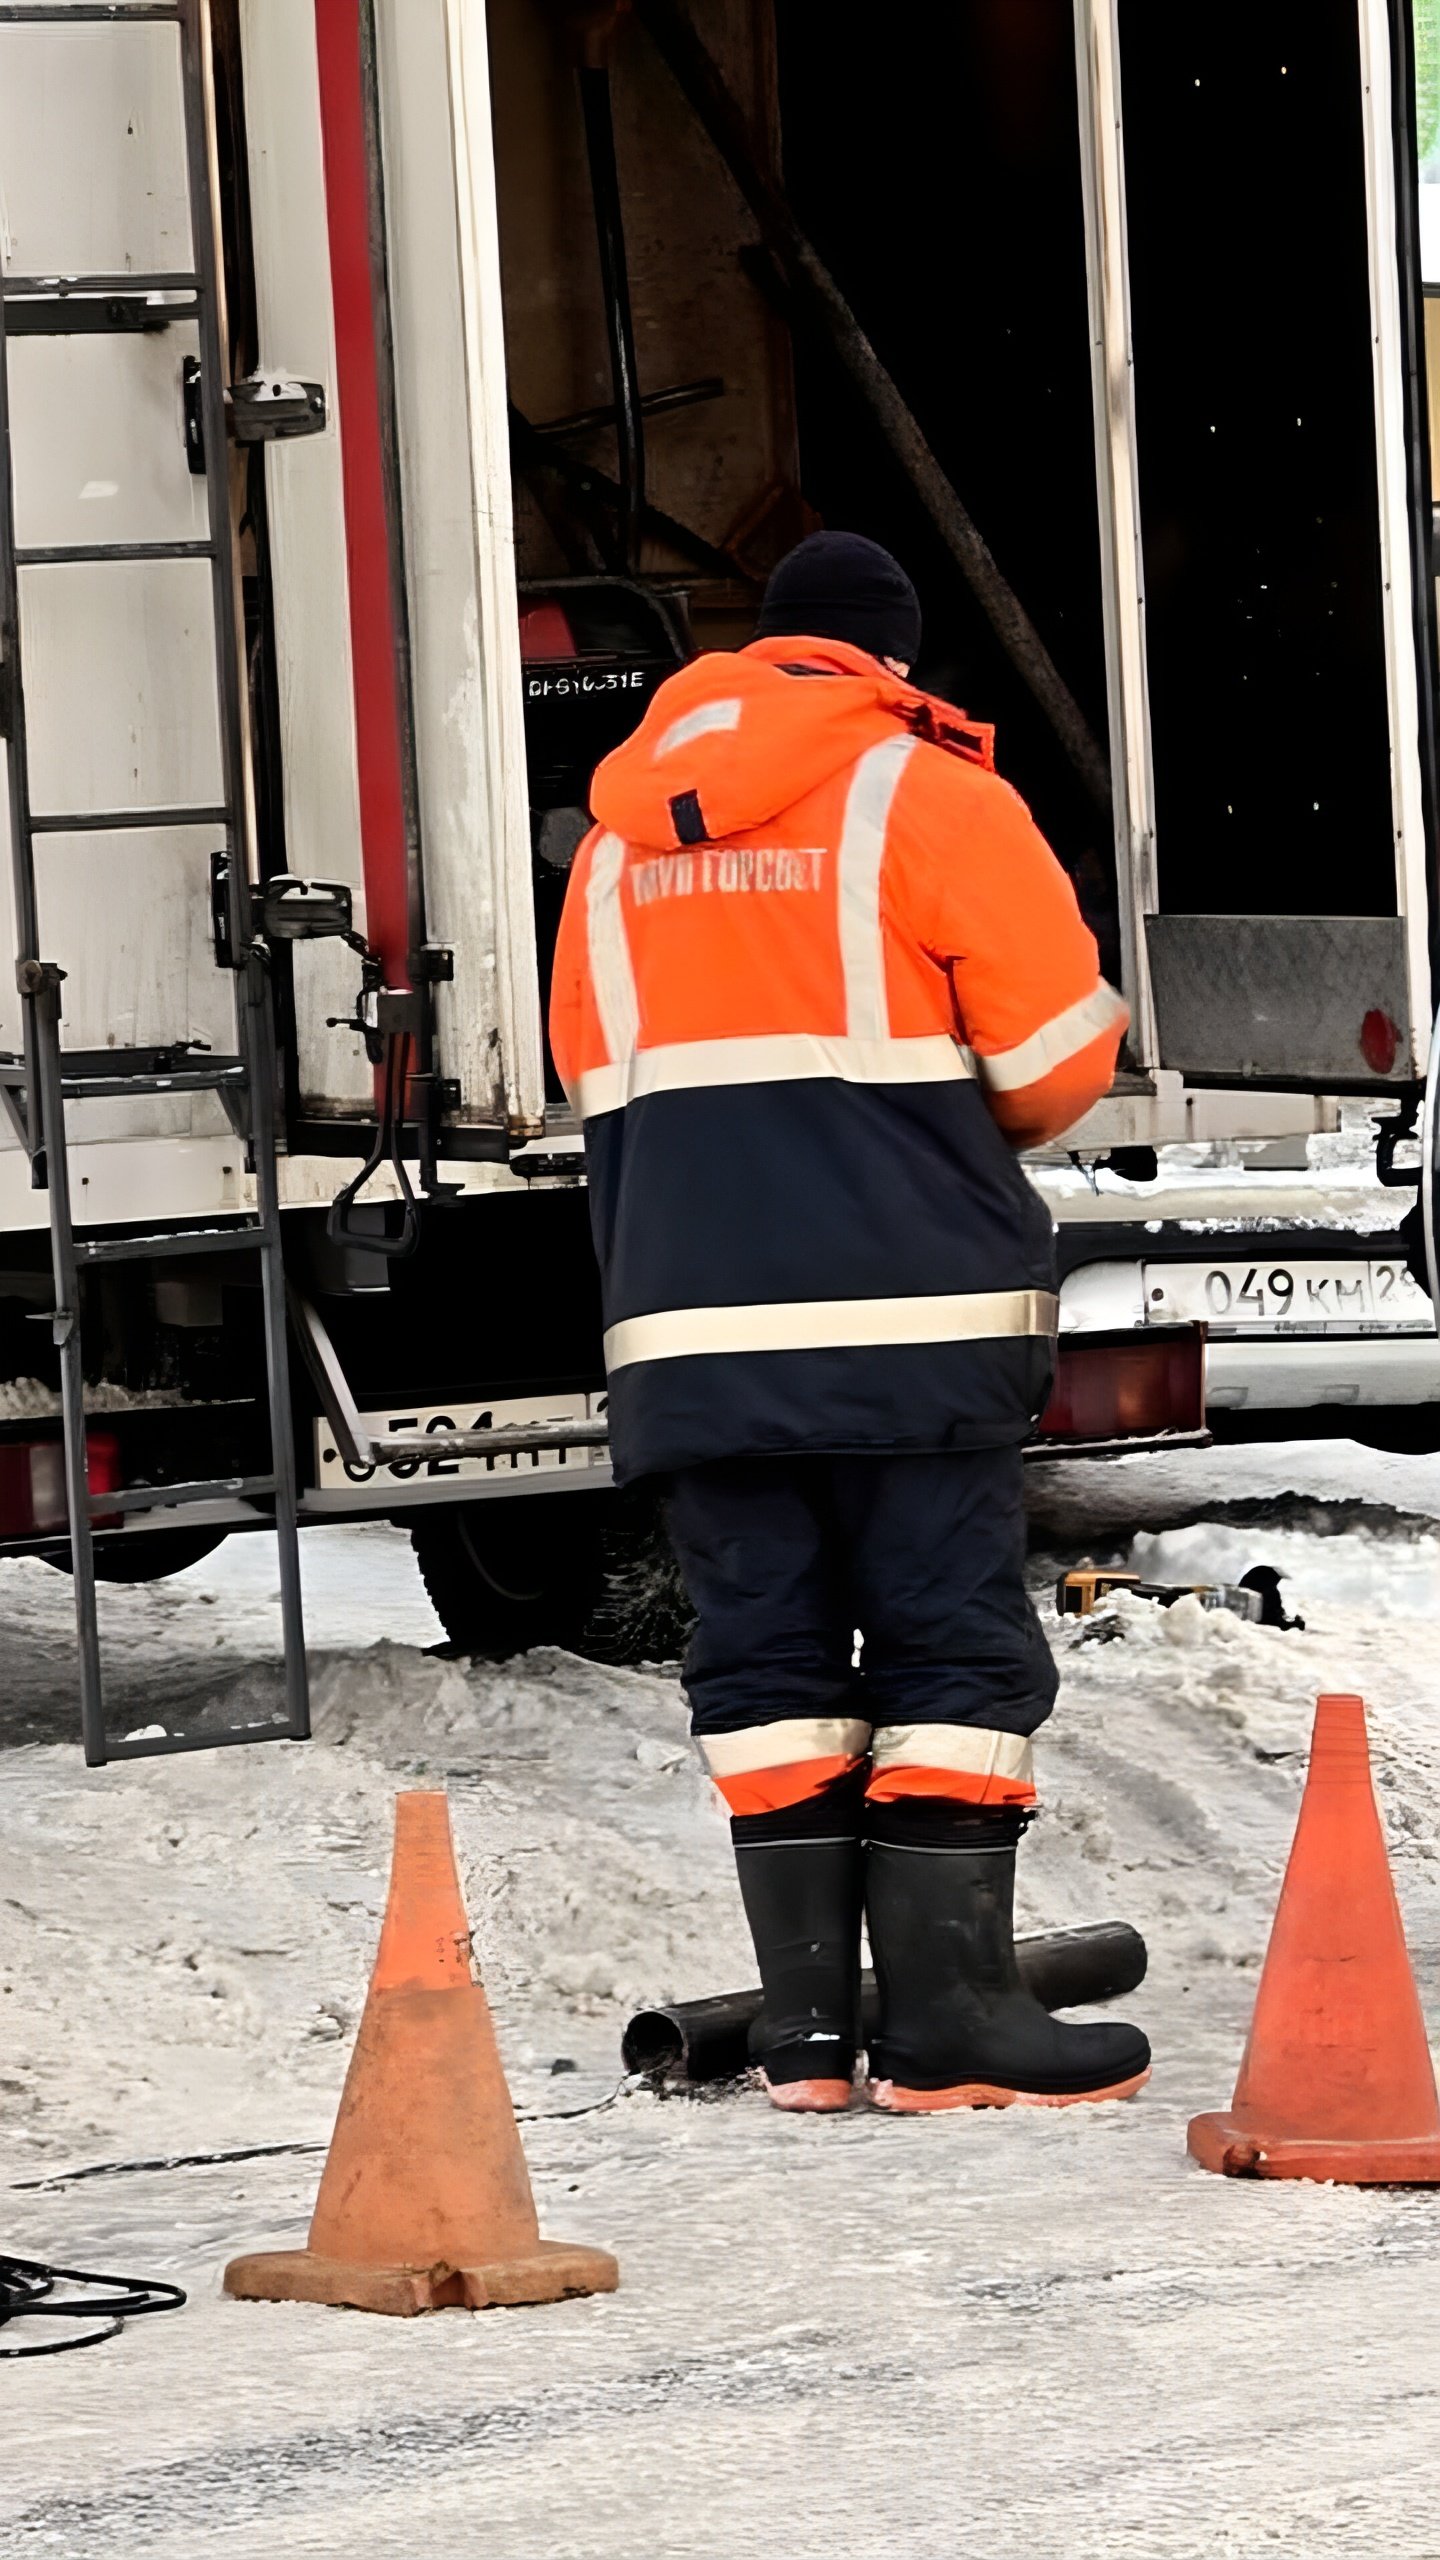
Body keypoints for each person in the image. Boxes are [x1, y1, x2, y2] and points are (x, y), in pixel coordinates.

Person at [549, 530, 1148, 2116]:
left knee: (769, 1658)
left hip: (689, 1329)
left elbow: (594, 1075)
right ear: (888, 657)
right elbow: (1059, 1064)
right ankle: (949, 2022)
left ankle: (809, 2039)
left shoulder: (612, 846)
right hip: (912, 1317)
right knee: (949, 1643)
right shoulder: (930, 794)